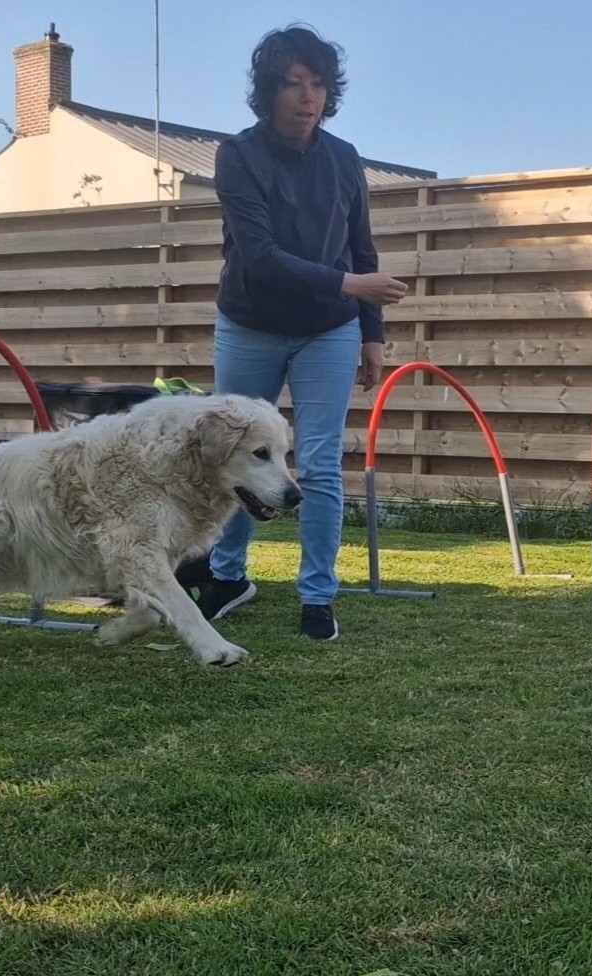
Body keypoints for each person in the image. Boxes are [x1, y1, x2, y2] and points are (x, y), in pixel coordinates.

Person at [196, 24, 408, 642]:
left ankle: (318, 595)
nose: (307, 95)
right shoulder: (238, 154)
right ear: (270, 91)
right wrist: (351, 287)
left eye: (317, 83)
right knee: (236, 455)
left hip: (329, 332)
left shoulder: (343, 157)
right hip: (250, 324)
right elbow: (258, 256)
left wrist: (372, 334)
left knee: (317, 463)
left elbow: (360, 248)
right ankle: (228, 576)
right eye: (293, 83)